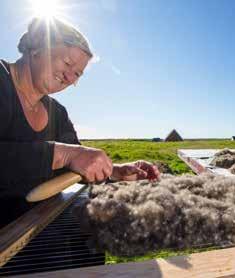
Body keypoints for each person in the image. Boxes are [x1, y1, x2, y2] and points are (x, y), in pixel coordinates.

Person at [0, 17, 160, 228]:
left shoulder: (58, 113)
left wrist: (114, 171)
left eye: (77, 74)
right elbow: (69, 155)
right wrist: (64, 154)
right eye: (67, 63)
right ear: (38, 47)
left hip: (33, 227)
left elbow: (75, 166)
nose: (69, 76)